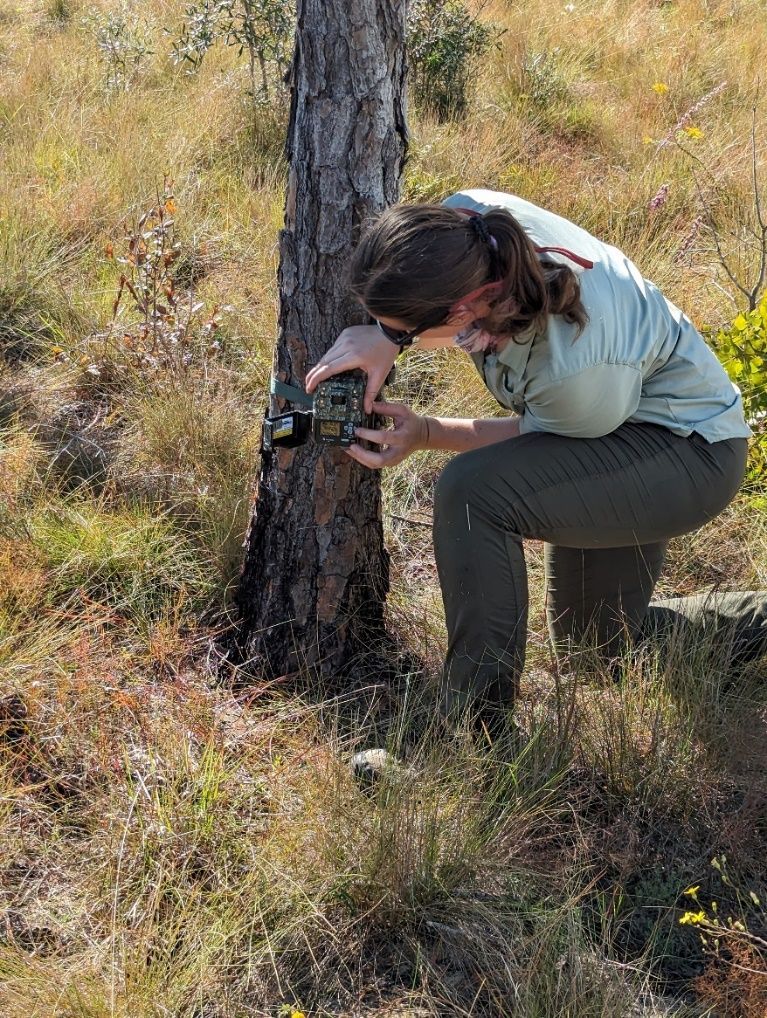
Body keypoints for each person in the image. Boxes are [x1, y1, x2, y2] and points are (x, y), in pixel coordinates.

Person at [305, 188, 765, 734]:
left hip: (688, 455)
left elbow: (542, 439)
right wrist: (389, 337)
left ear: (465, 307)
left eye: (402, 330)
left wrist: (427, 432)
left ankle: (474, 730)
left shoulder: (570, 369)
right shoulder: (467, 227)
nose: (389, 337)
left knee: (473, 493)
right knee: (597, 649)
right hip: (625, 416)